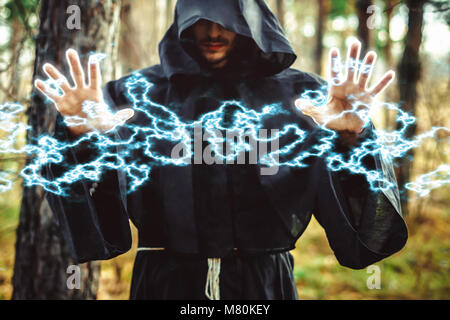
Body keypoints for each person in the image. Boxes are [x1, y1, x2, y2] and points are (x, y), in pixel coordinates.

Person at [35, 0, 408, 300]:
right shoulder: (138, 96)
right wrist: (79, 137)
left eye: (227, 18)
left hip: (263, 286)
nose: (213, 32)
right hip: (165, 285)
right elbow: (94, 202)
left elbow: (363, 227)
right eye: (201, 17)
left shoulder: (300, 97)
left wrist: (354, 138)